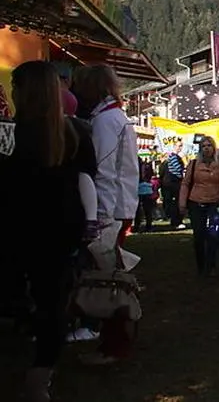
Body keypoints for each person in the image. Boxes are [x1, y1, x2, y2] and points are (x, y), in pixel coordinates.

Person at [0, 61, 98, 402]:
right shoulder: (75, 134)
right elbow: (88, 177)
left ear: (25, 92)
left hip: (18, 228)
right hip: (60, 229)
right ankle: (40, 376)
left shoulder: (11, 136)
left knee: (26, 298)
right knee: (53, 303)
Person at [72, 64, 140, 363]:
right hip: (118, 207)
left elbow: (103, 171)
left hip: (110, 209)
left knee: (108, 279)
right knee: (112, 276)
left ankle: (113, 343)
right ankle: (114, 339)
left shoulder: (105, 121)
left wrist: (98, 215)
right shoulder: (116, 117)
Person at [179, 135, 219, 276]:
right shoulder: (194, 164)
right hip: (196, 202)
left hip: (214, 204)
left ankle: (211, 265)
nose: (206, 148)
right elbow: (185, 184)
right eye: (204, 146)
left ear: (213, 148)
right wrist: (182, 203)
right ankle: (201, 266)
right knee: (199, 236)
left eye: (209, 145)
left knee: (213, 236)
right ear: (200, 149)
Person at [159, 137, 187, 230]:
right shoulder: (174, 156)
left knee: (175, 203)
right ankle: (176, 221)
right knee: (176, 203)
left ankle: (175, 221)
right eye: (179, 146)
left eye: (181, 146)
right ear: (174, 146)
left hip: (172, 183)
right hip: (174, 183)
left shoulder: (171, 156)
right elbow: (178, 170)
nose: (180, 148)